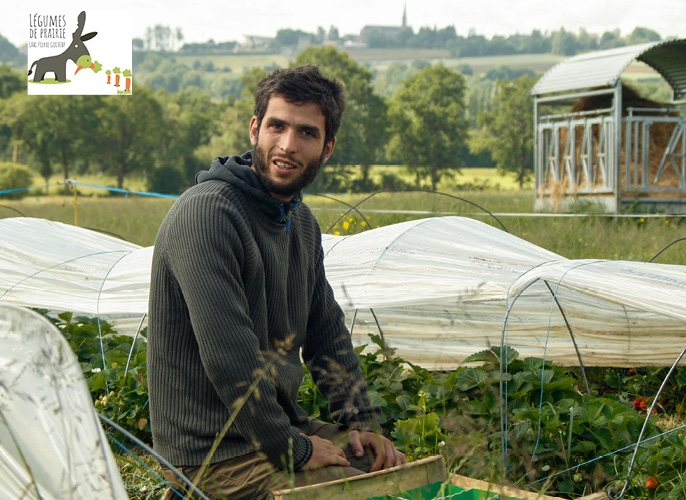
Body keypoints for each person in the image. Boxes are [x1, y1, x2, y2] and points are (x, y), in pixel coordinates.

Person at [148, 65, 406, 500]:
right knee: (351, 490)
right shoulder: (208, 214)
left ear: (327, 148)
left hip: (277, 431)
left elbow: (327, 334)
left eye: (306, 133)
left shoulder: (301, 223)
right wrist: (293, 450)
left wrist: (361, 420)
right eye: (277, 126)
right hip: (210, 451)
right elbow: (230, 361)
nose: (287, 145)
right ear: (255, 129)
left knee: (390, 465)